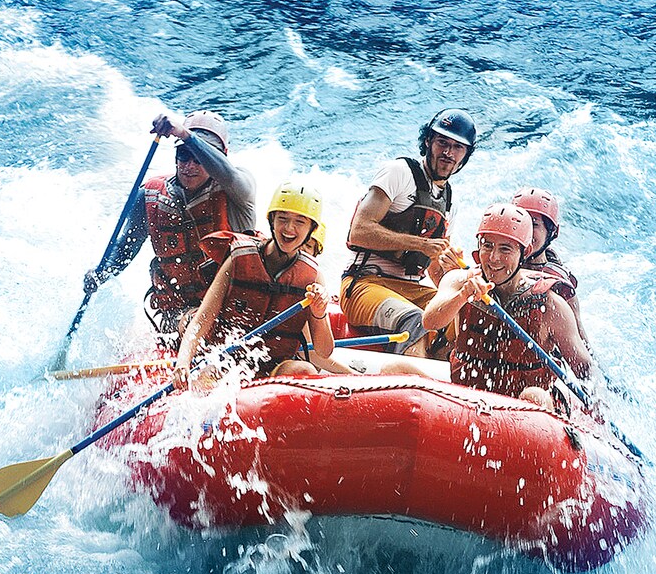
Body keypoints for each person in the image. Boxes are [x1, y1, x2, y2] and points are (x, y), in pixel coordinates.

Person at [85, 111, 257, 334]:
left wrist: (187, 137)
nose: (190, 165)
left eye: (200, 158)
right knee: (193, 322)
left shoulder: (239, 189)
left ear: (222, 155)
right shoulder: (149, 196)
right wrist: (102, 274)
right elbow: (125, 248)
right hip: (178, 314)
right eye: (184, 155)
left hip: (235, 307)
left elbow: (228, 174)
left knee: (202, 321)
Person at [422, 204, 592, 410]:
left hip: (527, 410)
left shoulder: (549, 303)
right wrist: (463, 295)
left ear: (524, 252)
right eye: (487, 246)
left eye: (505, 249)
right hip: (467, 400)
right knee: (397, 368)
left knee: (534, 396)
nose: (494, 258)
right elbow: (430, 322)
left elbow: (584, 370)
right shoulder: (459, 281)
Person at [340, 108, 477, 359]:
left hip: (411, 288)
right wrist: (420, 244)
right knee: (416, 319)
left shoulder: (450, 203)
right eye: (442, 143)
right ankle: (415, 387)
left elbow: (435, 272)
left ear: (465, 155)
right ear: (428, 142)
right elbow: (358, 231)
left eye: (457, 147)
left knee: (464, 317)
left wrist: (449, 270)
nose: (448, 153)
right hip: (363, 284)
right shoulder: (399, 172)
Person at [174, 179, 334, 389]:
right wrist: (183, 361)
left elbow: (324, 351)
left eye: (300, 222)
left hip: (274, 367)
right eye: (282, 219)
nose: (289, 229)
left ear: (311, 228)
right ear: (272, 221)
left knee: (305, 371)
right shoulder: (239, 258)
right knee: (208, 375)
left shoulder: (312, 277)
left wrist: (319, 312)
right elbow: (202, 319)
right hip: (226, 360)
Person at [511, 187, 588, 342]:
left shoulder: (559, 284)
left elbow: (581, 341)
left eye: (534, 224)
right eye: (520, 222)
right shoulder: (496, 263)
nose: (525, 231)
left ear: (552, 232)